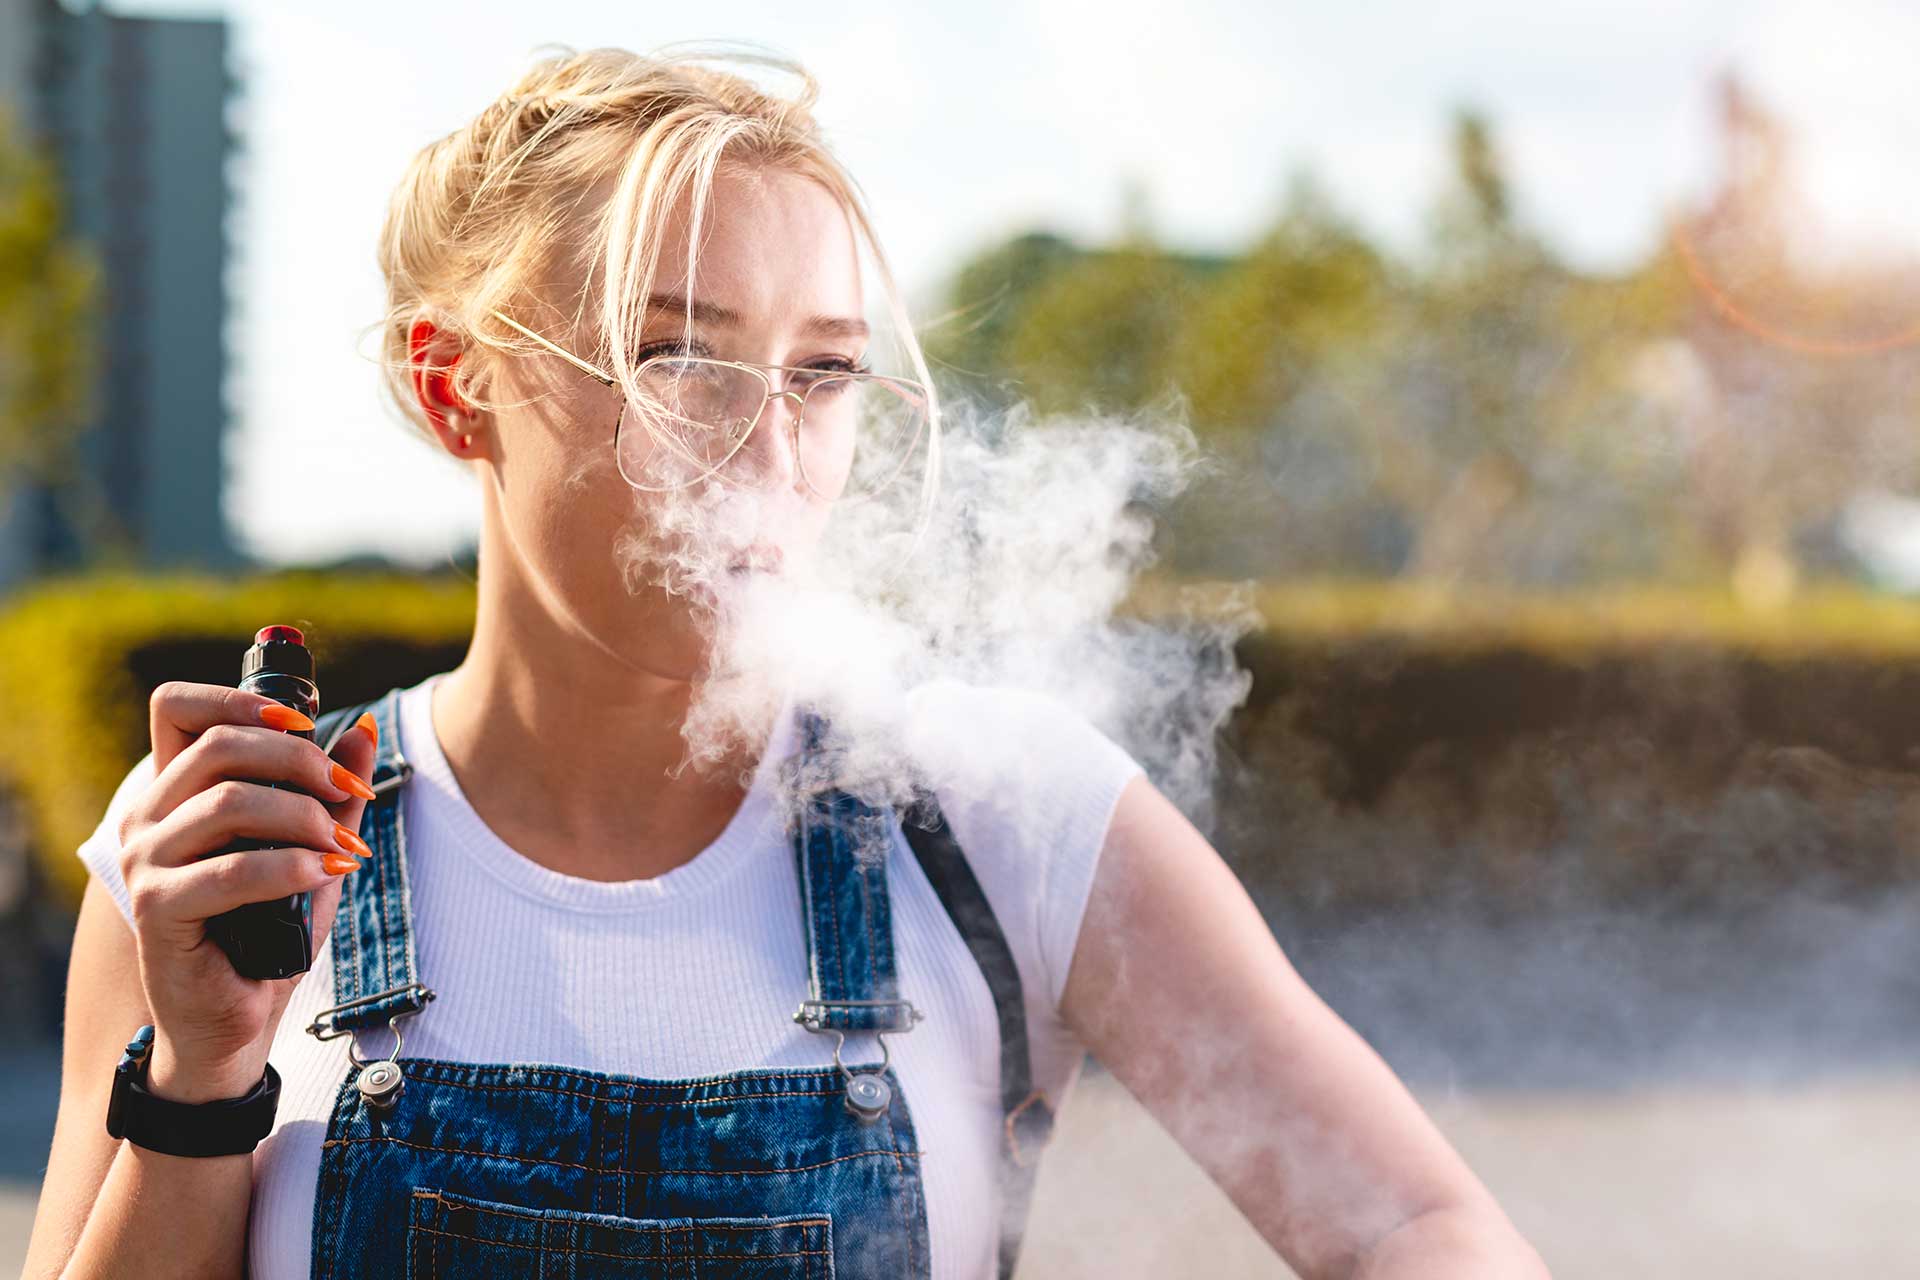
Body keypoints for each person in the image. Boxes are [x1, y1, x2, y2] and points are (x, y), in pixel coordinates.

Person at [25, 42, 1548, 1280]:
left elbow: (1414, 1228)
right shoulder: (228, 870)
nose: (768, 445)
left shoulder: (994, 819)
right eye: (676, 357)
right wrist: (204, 1079)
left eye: (821, 372)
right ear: (454, 384)